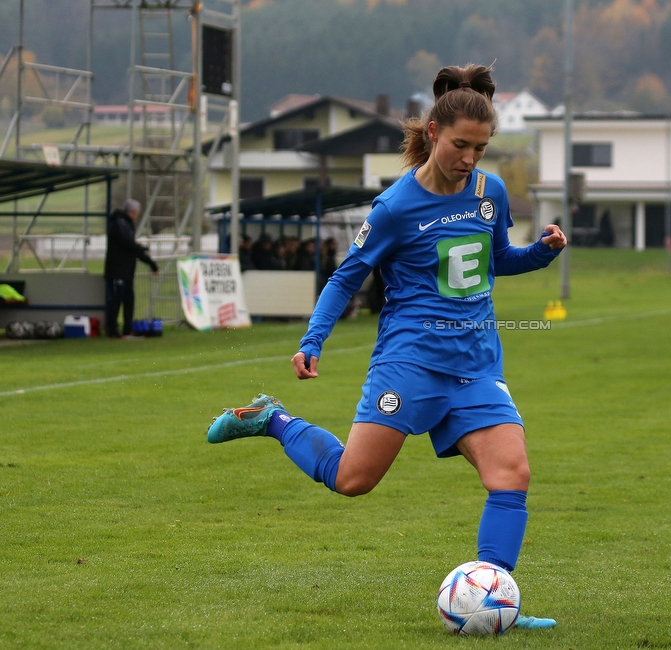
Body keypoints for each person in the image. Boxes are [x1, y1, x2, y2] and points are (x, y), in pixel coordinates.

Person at [207, 64, 566, 631]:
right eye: (459, 145)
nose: (470, 158)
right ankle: (273, 419)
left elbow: (496, 260)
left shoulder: (489, 193)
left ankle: (495, 601)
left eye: (480, 147)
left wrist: (541, 253)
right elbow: (345, 278)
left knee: (511, 475)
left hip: (475, 365)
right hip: (411, 363)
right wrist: (313, 340)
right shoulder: (396, 207)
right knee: (352, 479)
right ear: (431, 133)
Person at [104, 198, 158, 338]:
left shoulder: (126, 224)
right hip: (117, 271)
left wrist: (151, 263)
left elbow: (133, 248)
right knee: (115, 301)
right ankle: (112, 330)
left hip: (127, 271)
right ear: (132, 212)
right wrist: (143, 250)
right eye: (137, 213)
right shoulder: (119, 223)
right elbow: (128, 244)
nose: (137, 216)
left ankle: (128, 330)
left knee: (129, 301)